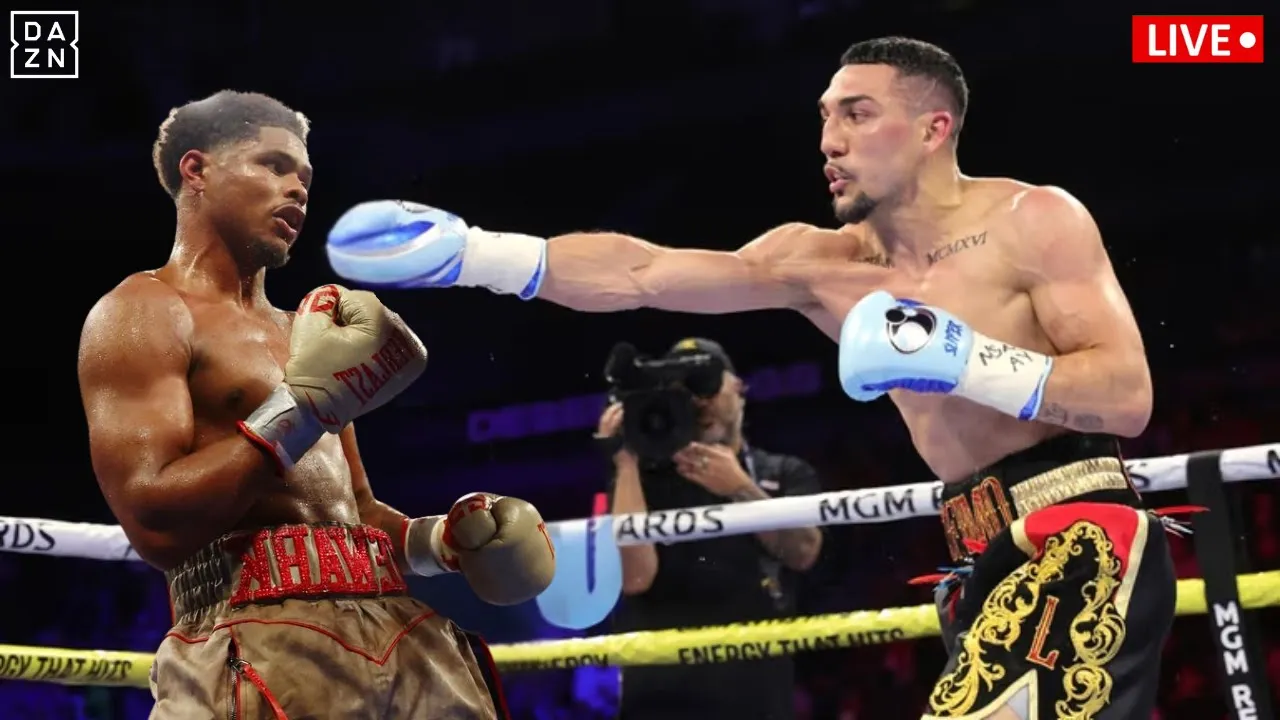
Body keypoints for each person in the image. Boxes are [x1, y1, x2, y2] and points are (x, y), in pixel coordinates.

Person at [326, 35, 1177, 719]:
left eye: (857, 114)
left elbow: (1126, 396)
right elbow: (644, 272)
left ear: (933, 128)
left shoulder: (1032, 219)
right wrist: (482, 256)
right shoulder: (819, 262)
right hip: (977, 547)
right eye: (824, 118)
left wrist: (965, 359)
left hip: (1079, 529)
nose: (829, 141)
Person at [76, 90, 557, 720]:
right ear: (197, 170)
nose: (297, 190)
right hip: (249, 635)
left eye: (304, 177)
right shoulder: (142, 312)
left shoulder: (307, 334)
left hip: (397, 631)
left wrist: (443, 542)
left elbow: (356, 513)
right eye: (273, 165)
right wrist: (301, 408)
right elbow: (154, 520)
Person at [600, 338, 822, 720]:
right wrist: (625, 460)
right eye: (683, 391)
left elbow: (804, 552)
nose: (699, 401)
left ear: (738, 387)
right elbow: (635, 577)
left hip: (756, 701)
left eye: (706, 384)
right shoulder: (641, 483)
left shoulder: (783, 472)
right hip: (659, 704)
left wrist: (740, 489)